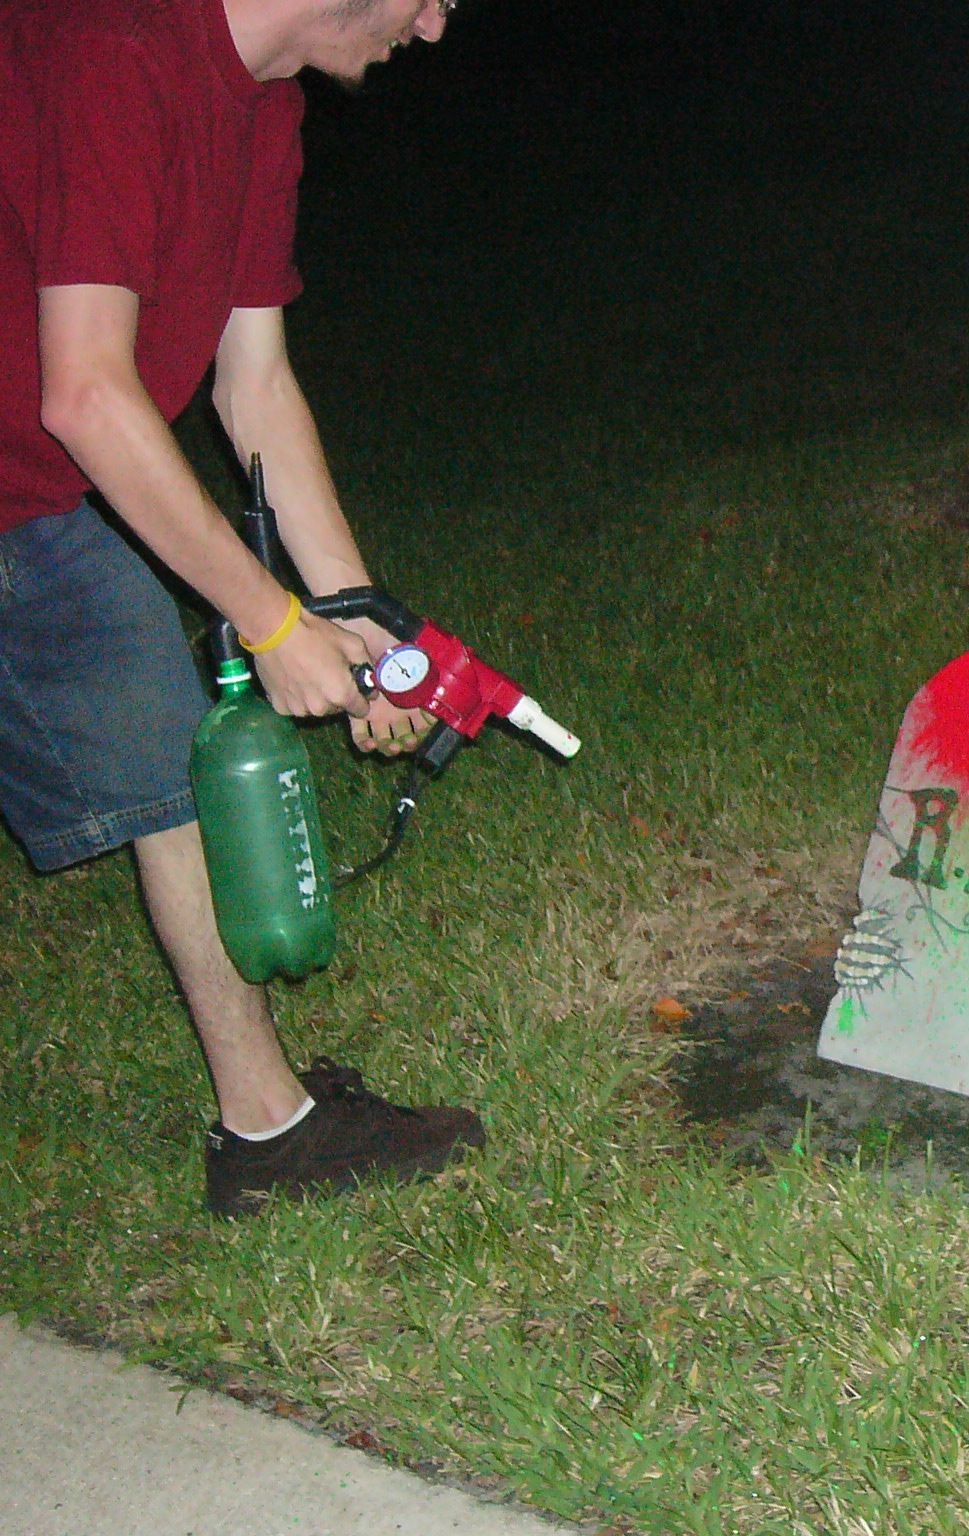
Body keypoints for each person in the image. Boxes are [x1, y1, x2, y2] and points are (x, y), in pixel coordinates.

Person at [0, 0, 487, 1217]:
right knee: (175, 750)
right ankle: (269, 1133)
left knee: (172, 761)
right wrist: (270, 626)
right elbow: (88, 394)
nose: (431, 29)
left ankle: (268, 1128)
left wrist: (362, 621)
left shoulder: (263, 103)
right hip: (21, 474)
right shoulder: (104, 49)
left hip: (35, 487)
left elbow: (252, 381)